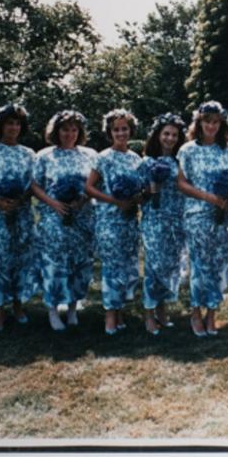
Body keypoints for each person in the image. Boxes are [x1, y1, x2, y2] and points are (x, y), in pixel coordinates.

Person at [177, 101, 228, 337]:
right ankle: (196, 312)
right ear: (199, 122)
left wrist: (225, 199)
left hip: (223, 216)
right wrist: (208, 197)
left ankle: (212, 313)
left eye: (215, 122)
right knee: (200, 264)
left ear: (221, 124)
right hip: (197, 214)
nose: (211, 126)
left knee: (219, 263)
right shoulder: (188, 150)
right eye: (207, 121)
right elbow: (181, 183)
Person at [31, 109, 96, 331]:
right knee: (55, 264)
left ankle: (72, 309)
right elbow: (34, 185)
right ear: (56, 131)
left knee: (80, 264)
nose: (70, 134)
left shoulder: (89, 155)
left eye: (74, 130)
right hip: (54, 217)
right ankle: (52, 310)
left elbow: (94, 184)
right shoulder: (44, 156)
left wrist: (82, 199)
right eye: (65, 129)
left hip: (82, 218)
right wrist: (53, 203)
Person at [0, 103, 38, 333]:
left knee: (22, 261)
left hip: (22, 214)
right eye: (9, 123)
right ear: (0, 126)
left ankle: (19, 306)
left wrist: (20, 200)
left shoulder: (28, 154)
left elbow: (34, 184)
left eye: (17, 124)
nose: (13, 127)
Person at [85, 109, 144, 335]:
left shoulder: (136, 159)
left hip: (129, 221)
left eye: (124, 129)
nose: (121, 133)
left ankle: (119, 312)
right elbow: (89, 187)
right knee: (112, 267)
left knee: (127, 267)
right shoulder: (103, 157)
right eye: (116, 129)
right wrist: (114, 201)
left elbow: (140, 189)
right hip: (109, 220)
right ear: (109, 132)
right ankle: (110, 315)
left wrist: (137, 198)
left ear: (131, 130)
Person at [139, 112, 187, 335]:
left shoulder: (180, 162)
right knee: (153, 267)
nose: (170, 138)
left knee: (169, 266)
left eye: (174, 135)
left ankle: (162, 310)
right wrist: (150, 191)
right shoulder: (147, 162)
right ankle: (149, 313)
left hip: (175, 221)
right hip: (154, 220)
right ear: (158, 135)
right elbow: (138, 196)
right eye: (166, 134)